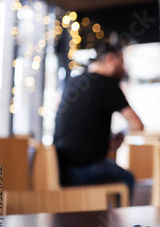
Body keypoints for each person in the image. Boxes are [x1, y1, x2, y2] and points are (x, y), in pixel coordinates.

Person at [53, 43, 144, 200]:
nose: (124, 69)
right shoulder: (107, 84)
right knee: (127, 178)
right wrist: (121, 135)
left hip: (58, 169)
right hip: (83, 170)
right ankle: (118, 223)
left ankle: (102, 218)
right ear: (110, 59)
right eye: (122, 63)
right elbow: (137, 125)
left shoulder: (74, 81)